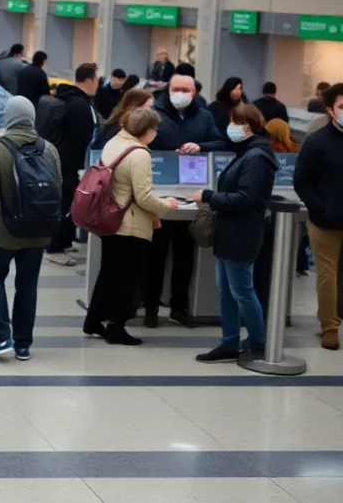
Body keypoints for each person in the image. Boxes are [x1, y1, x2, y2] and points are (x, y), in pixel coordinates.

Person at [83, 107, 179, 345]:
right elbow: (144, 197)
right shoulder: (140, 154)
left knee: (108, 272)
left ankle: (93, 320)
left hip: (109, 219)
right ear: (146, 131)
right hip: (130, 224)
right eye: (154, 130)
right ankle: (116, 327)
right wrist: (167, 205)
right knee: (128, 278)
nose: (155, 134)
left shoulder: (114, 142)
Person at [191, 103, 278, 362]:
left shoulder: (257, 157)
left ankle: (258, 342)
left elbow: (245, 198)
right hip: (229, 231)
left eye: (234, 121)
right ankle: (229, 342)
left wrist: (210, 197)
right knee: (226, 291)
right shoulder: (246, 152)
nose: (230, 127)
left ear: (247, 126)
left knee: (242, 291)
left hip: (243, 232)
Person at [0, 96, 61, 360]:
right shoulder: (49, 149)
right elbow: (57, 187)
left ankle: (0, 338)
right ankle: (23, 345)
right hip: (38, 231)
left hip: (4, 231)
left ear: (8, 117)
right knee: (28, 285)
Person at [146, 72, 228, 327]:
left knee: (184, 255)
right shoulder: (155, 112)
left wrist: (200, 146)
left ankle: (179, 306)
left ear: (194, 92)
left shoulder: (203, 115)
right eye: (176, 88)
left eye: (186, 89)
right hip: (159, 190)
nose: (181, 93)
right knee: (156, 254)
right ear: (168, 89)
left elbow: (220, 141)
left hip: (192, 191)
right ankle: (150, 306)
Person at [294, 82, 343, 351]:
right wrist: (319, 207)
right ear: (331, 110)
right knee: (327, 274)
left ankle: (334, 315)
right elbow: (301, 179)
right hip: (324, 222)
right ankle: (329, 326)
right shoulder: (317, 141)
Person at [38, 63, 101, 264]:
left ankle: (63, 242)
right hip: (68, 163)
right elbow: (82, 137)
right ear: (90, 80)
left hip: (60, 161)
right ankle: (55, 248)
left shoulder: (67, 97)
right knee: (64, 203)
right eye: (97, 79)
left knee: (66, 202)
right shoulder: (80, 105)